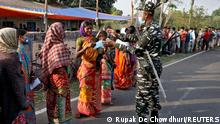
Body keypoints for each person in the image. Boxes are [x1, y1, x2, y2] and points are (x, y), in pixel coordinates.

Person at [134, 2, 163, 123]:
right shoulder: (153, 27)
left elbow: (137, 48)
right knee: (152, 92)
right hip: (154, 65)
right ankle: (154, 117)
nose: (140, 15)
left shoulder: (151, 29)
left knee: (142, 95)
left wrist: (116, 44)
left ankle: (143, 119)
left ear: (146, 14)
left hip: (147, 66)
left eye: (142, 12)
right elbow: (142, 41)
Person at [40, 22, 72, 124]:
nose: (63, 32)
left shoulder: (46, 47)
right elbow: (63, 68)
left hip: (51, 80)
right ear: (58, 32)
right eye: (62, 30)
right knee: (61, 105)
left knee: (53, 103)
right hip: (60, 82)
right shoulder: (60, 46)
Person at [0, 28, 27, 124]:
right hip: (11, 104)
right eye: (15, 37)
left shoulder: (1, 54)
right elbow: (17, 86)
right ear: (9, 38)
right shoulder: (11, 58)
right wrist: (24, 103)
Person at [76, 20, 101, 117]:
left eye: (91, 28)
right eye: (88, 28)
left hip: (94, 68)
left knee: (93, 89)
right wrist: (86, 47)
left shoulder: (95, 39)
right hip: (85, 68)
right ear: (83, 29)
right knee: (84, 89)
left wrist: (102, 47)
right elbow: (77, 55)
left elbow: (100, 53)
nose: (90, 30)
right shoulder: (80, 40)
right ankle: (83, 110)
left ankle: (91, 108)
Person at [17, 29, 36, 124]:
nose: (27, 38)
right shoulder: (18, 51)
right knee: (26, 104)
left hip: (27, 83)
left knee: (29, 103)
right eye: (25, 36)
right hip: (24, 84)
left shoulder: (24, 49)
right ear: (19, 37)